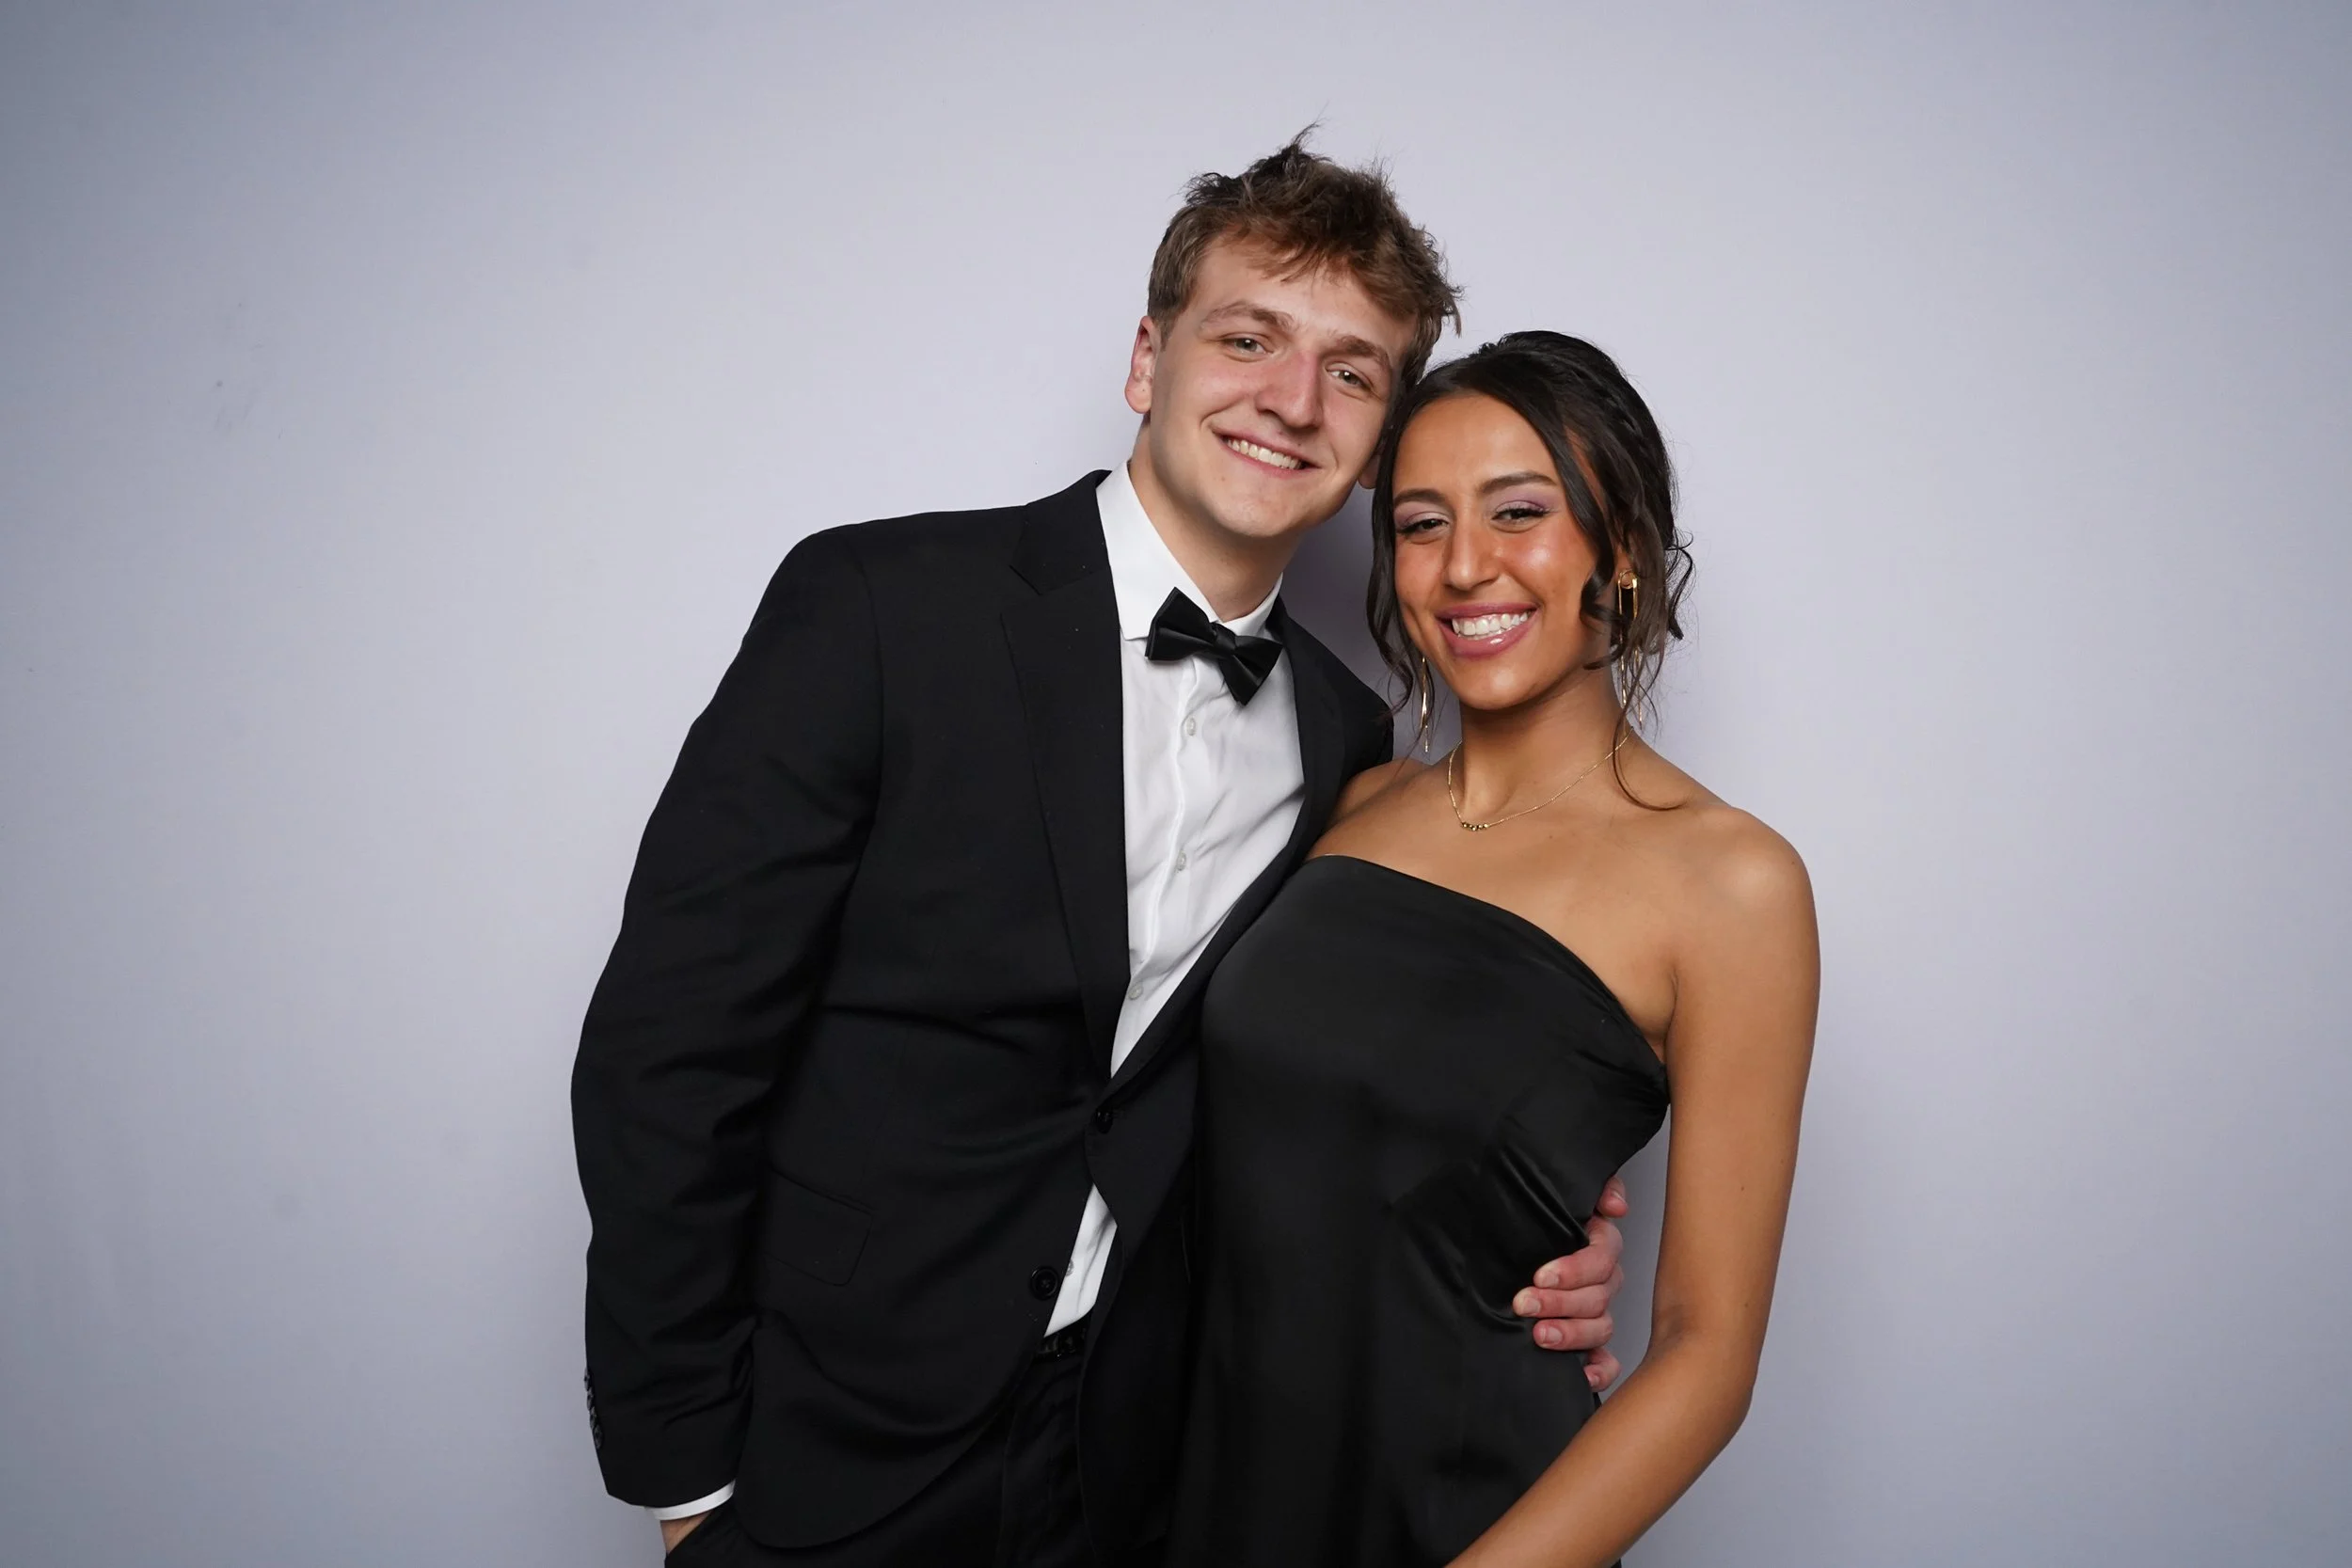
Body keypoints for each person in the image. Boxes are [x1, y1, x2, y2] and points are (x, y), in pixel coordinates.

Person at [570, 140, 1631, 1567]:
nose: (1292, 400)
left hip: (1139, 1470)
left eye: (1354, 370)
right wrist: (686, 1470)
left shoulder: (1351, 742)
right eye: (1247, 337)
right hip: (817, 1451)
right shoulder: (879, 608)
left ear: (1378, 437)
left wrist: (1539, 1230)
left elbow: (1339, 1084)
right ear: (1149, 357)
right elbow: (669, 1050)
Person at [1168, 331, 1820, 1566]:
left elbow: (1706, 1353)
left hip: (1475, 1523)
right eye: (1419, 524)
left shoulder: (1733, 883)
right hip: (1211, 1502)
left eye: (1518, 512)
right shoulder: (1351, 801)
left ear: (1615, 546)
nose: (1466, 566)